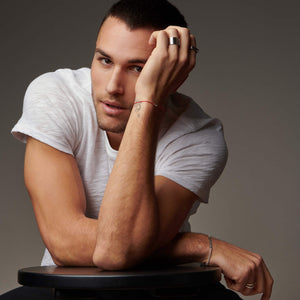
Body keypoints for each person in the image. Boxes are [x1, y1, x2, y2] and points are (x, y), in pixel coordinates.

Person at [3, 0, 273, 299]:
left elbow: (118, 250)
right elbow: (66, 242)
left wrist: (149, 101)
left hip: (162, 290)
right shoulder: (55, 95)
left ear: (171, 74)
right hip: (69, 290)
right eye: (105, 60)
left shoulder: (199, 136)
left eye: (137, 68)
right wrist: (201, 246)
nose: (113, 87)